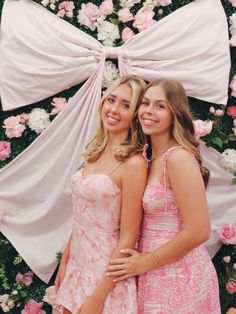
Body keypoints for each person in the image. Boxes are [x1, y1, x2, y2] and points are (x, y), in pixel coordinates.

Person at [107, 79, 221, 313]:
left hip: (180, 274)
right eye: (145, 103)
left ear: (175, 114)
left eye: (160, 106)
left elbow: (199, 230)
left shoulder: (178, 159)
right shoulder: (148, 158)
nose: (149, 111)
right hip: (150, 272)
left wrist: (144, 262)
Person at [55, 75, 147, 314]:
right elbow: (81, 217)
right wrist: (64, 263)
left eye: (126, 105)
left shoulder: (133, 163)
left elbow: (128, 238)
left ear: (136, 114)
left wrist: (98, 296)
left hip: (105, 276)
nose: (114, 109)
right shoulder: (94, 152)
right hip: (78, 266)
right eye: (112, 100)